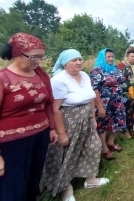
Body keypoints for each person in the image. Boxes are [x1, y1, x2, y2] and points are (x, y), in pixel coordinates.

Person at [42, 49, 109, 201]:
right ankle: (66, 188)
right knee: (67, 152)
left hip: (86, 117)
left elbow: (90, 96)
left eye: (80, 59)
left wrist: (93, 117)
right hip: (69, 120)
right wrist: (61, 133)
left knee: (93, 146)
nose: (78, 62)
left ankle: (90, 179)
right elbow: (55, 109)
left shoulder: (85, 76)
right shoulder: (59, 80)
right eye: (74, 60)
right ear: (64, 64)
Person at [0, 32, 57, 201]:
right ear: (17, 54)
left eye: (41, 56)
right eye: (34, 57)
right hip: (11, 143)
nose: (38, 61)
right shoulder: (3, 79)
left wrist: (52, 128)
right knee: (13, 186)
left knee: (33, 181)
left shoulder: (40, 75)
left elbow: (47, 104)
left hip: (40, 135)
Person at [90, 48, 126, 160]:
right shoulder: (97, 70)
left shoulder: (115, 68)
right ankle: (104, 148)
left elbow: (121, 79)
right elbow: (94, 89)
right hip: (104, 102)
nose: (111, 59)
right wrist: (100, 107)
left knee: (119, 121)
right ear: (102, 57)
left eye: (112, 57)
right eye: (108, 57)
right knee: (103, 125)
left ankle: (111, 141)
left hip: (117, 101)